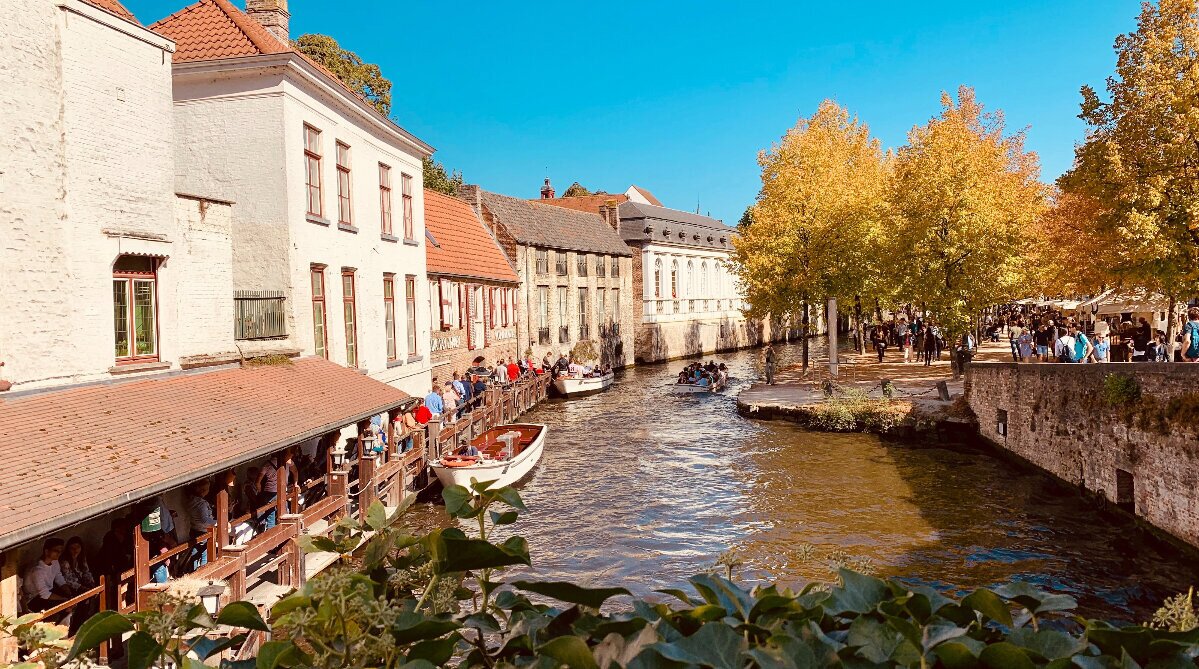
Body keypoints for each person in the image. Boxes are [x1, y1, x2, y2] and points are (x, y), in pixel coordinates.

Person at [24, 539, 68, 614]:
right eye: (56, 551)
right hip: (34, 599)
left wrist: (68, 592)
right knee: (64, 607)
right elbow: (44, 594)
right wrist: (64, 600)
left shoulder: (55, 562)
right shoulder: (37, 570)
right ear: (47, 551)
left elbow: (58, 577)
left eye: (60, 551)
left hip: (50, 591)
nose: (59, 554)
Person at [185, 480, 215, 571]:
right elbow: (204, 520)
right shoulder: (201, 504)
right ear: (203, 490)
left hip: (194, 529)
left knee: (194, 552)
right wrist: (217, 522)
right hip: (202, 531)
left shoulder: (191, 500)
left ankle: (193, 572)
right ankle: (203, 572)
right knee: (205, 553)